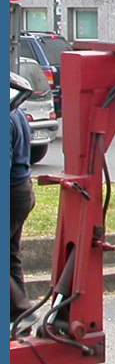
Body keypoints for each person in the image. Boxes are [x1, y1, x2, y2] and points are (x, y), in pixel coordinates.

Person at [10, 80, 36, 332]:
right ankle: (20, 320)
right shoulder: (16, 112)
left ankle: (20, 311)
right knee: (10, 257)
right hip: (22, 190)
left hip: (10, 194)